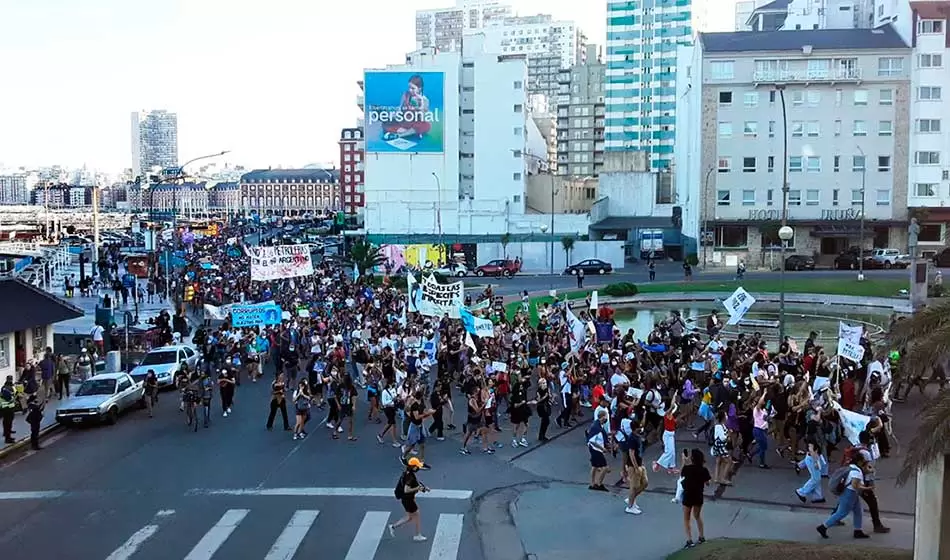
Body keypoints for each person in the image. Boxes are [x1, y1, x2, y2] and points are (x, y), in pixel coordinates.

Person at [389, 456, 430, 542]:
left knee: (410, 517)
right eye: (417, 466)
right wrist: (418, 488)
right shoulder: (410, 476)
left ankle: (393, 526)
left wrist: (423, 488)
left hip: (407, 499)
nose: (418, 467)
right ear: (414, 467)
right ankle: (418, 535)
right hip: (408, 499)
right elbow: (407, 490)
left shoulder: (407, 473)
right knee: (416, 515)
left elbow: (415, 485)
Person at [680, 448, 711, 549]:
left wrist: (683, 462)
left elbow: (681, 474)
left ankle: (689, 541)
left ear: (692, 458)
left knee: (686, 518)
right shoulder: (704, 470)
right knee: (697, 516)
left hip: (688, 495)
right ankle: (701, 536)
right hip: (698, 495)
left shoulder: (687, 469)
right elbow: (708, 483)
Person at [1, 376, 16, 444]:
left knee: (6, 422)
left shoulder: (3, 387)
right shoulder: (10, 388)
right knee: (8, 423)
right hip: (9, 408)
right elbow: (10, 398)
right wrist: (13, 398)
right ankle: (8, 438)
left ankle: (6, 433)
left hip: (4, 408)